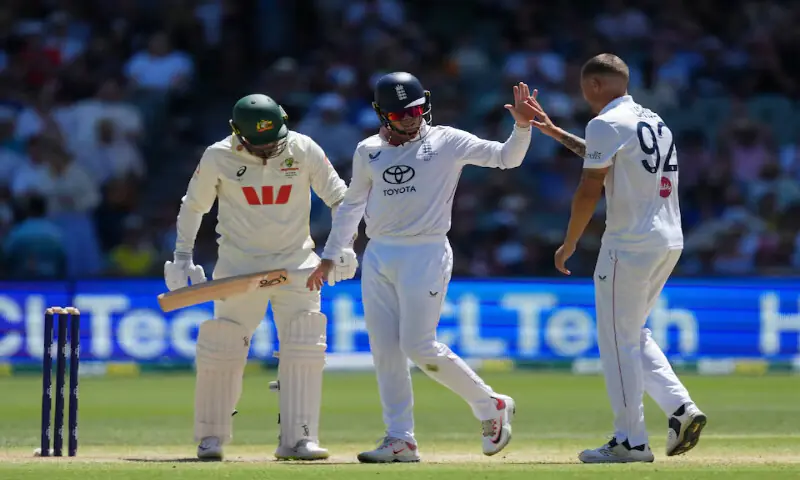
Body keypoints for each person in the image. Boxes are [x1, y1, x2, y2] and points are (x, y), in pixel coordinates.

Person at [306, 72, 539, 463]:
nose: (412, 119)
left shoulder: (447, 140)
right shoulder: (368, 151)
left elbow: (506, 158)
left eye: (416, 110)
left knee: (418, 344)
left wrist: (521, 126)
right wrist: (332, 253)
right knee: (385, 351)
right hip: (380, 254)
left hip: (426, 253)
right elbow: (352, 206)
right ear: (383, 114)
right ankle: (401, 439)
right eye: (401, 115)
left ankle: (490, 404)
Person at [527, 53, 707, 463]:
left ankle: (630, 442)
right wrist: (556, 133)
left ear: (593, 85)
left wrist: (569, 242)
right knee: (632, 333)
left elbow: (591, 187)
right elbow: (607, 159)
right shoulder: (654, 121)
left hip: (629, 244)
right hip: (667, 240)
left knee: (615, 343)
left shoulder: (606, 122)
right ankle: (681, 409)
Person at [165, 94, 357, 461]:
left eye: (274, 140)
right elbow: (194, 205)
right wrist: (182, 256)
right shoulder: (218, 155)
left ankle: (299, 439)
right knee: (223, 346)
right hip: (240, 268)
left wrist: (342, 248)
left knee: (304, 342)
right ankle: (211, 438)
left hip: (297, 264)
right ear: (238, 133)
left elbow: (340, 199)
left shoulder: (302, 147)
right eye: (261, 142)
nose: (270, 149)